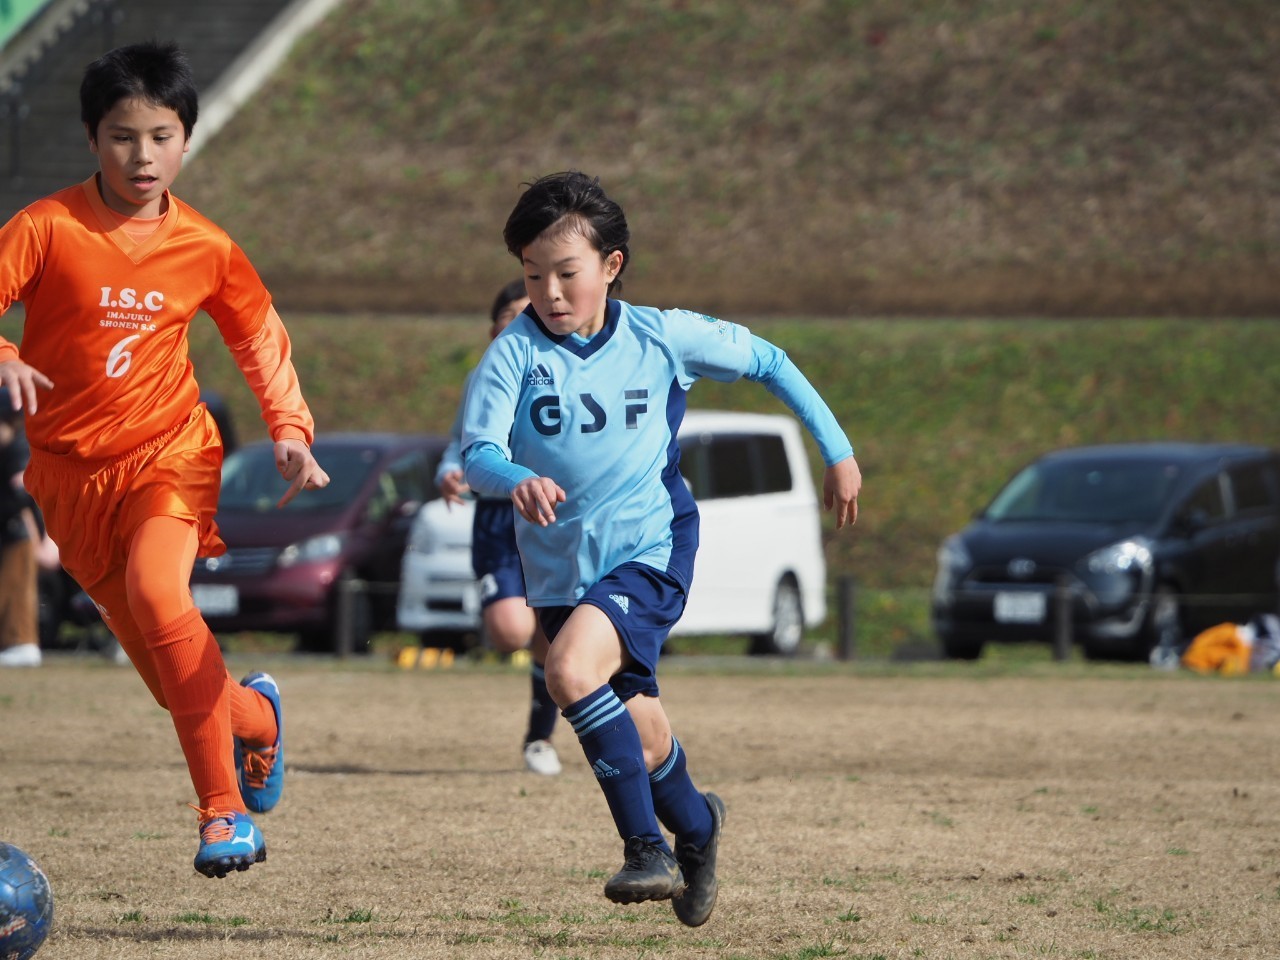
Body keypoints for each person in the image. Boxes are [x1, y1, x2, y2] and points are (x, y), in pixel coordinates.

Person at [461, 171, 861, 926]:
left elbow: (770, 361)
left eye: (566, 273)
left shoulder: (661, 335)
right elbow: (477, 449)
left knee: (568, 670)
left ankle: (647, 847)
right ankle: (700, 828)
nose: (548, 292)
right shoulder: (513, 353)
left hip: (649, 548)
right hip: (559, 569)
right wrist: (514, 476)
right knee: (643, 742)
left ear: (611, 267)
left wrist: (837, 450)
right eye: (532, 274)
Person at [0, 41, 330, 878]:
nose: (140, 156)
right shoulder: (46, 227)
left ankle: (224, 818)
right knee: (174, 680)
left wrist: (289, 427)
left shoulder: (207, 246)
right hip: (70, 479)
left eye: (160, 135)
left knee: (159, 591)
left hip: (169, 452)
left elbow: (257, 334)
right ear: (90, 138)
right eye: (121, 136)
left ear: (186, 138)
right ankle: (256, 719)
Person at [435, 279, 562, 775]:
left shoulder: (562, 370)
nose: (523, 322)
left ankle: (540, 738)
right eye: (513, 315)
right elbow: (459, 442)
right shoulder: (483, 376)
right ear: (494, 330)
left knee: (550, 635)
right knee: (512, 631)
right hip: (496, 516)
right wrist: (447, 471)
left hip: (551, 518)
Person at [0, 389, 40, 667]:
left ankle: (21, 643)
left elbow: (25, 493)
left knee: (15, 590)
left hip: (15, 533)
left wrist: (44, 538)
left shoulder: (17, 447)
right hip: (11, 531)